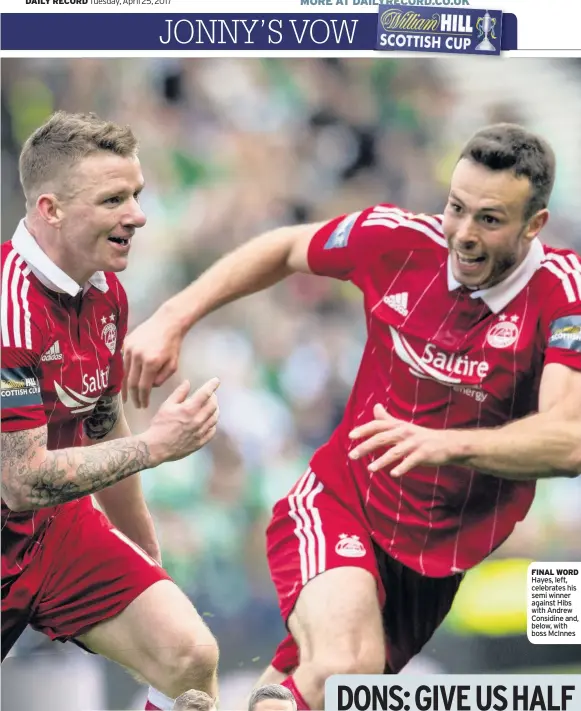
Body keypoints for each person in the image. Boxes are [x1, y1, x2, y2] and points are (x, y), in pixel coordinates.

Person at [123, 123, 581, 709]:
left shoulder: (561, 295)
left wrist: (448, 444)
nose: (463, 235)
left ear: (534, 225)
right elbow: (285, 248)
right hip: (342, 504)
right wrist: (173, 316)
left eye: (489, 220)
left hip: (430, 567)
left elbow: (567, 443)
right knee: (346, 670)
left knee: (308, 691)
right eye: (455, 209)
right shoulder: (395, 240)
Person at [1, 111, 221, 711]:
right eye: (113, 199)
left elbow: (100, 418)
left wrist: (144, 553)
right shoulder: (8, 307)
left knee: (189, 657)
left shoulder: (105, 292)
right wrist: (158, 445)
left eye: (137, 195)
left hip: (56, 533)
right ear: (50, 209)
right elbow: (21, 482)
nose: (137, 215)